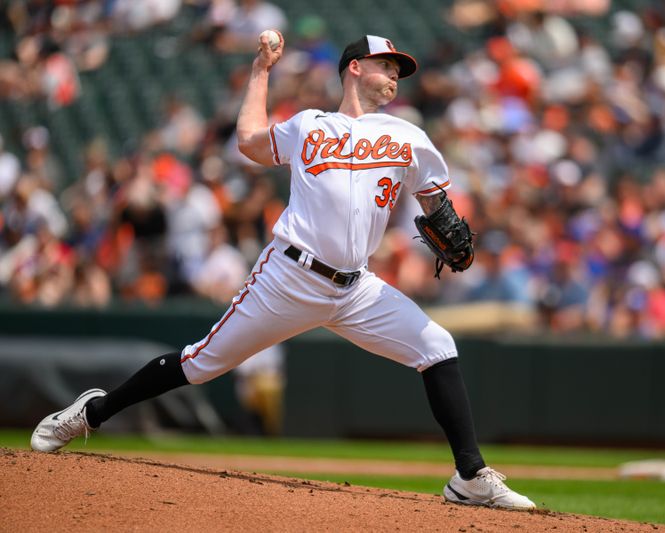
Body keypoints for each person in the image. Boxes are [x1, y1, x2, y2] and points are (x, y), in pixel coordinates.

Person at [30, 32, 536, 509]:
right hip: (289, 277)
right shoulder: (309, 125)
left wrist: (447, 223)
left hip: (357, 286)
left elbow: (436, 203)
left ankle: (469, 477)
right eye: (386, 66)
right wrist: (260, 70)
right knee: (201, 363)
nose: (395, 76)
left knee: (438, 347)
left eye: (399, 70)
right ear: (355, 68)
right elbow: (249, 139)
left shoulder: (409, 137)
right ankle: (91, 413)